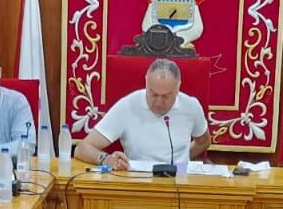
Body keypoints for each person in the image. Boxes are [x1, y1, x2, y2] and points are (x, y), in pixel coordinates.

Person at [75, 58, 211, 169]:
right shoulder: (127, 106)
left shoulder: (191, 106)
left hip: (180, 183)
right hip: (137, 183)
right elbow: (82, 148)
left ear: (178, 88)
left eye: (166, 96)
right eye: (153, 94)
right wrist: (106, 159)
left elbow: (203, 142)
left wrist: (182, 162)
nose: (158, 102)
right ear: (146, 83)